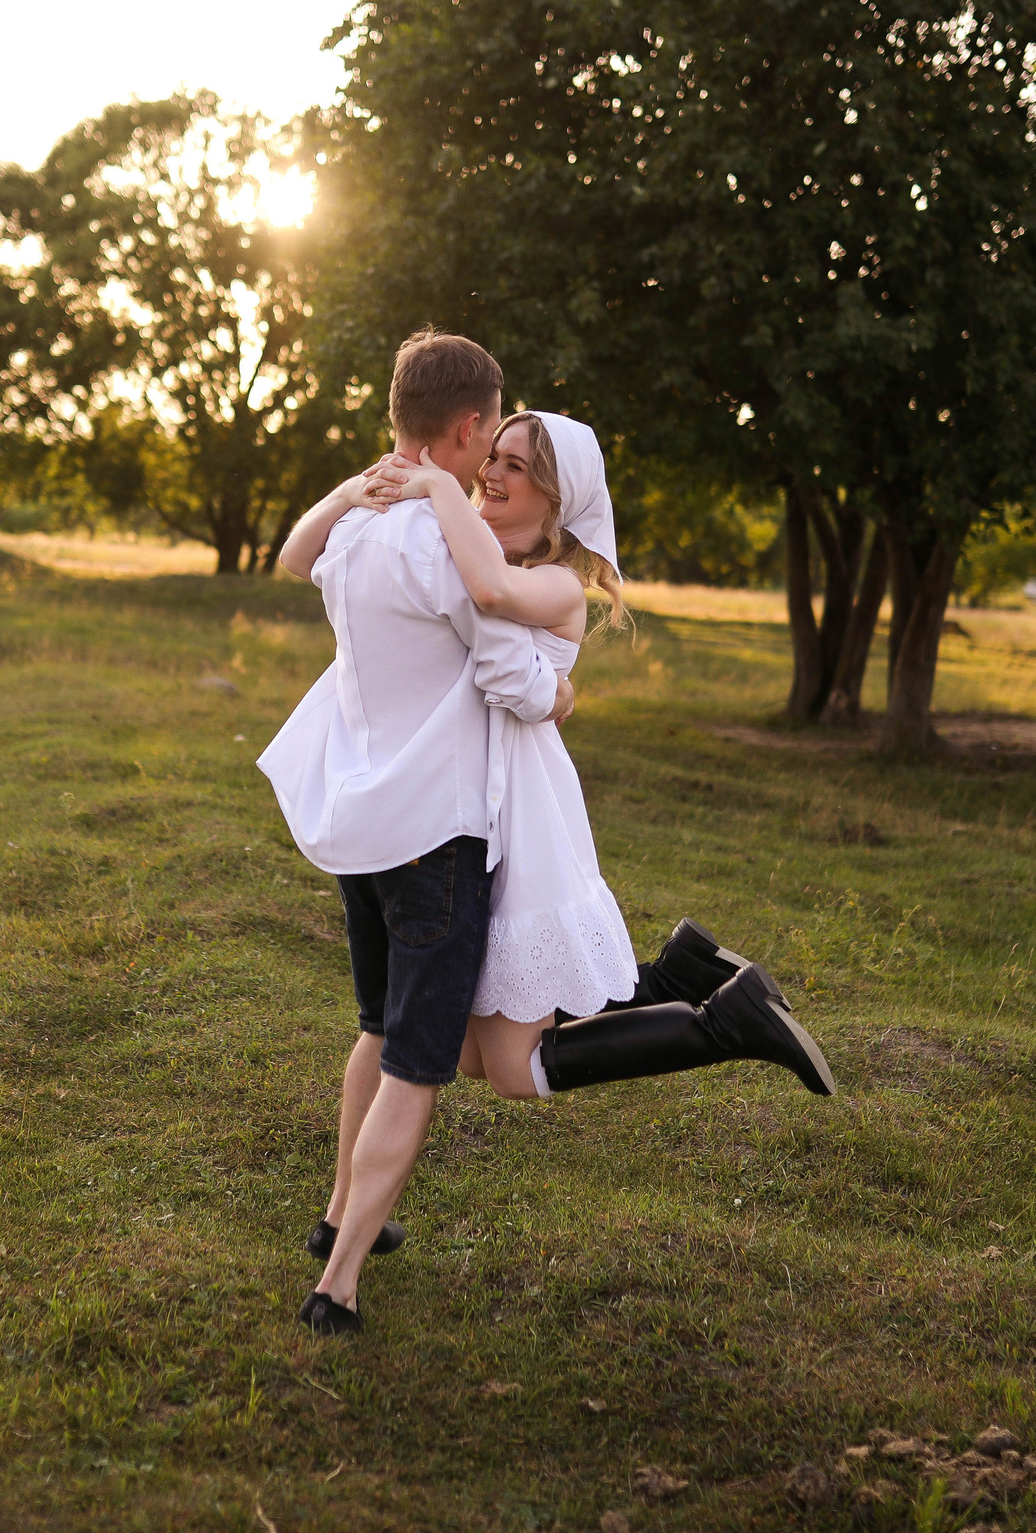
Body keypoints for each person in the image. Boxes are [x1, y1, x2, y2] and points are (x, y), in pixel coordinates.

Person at [367, 413, 834, 1108]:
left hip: (522, 812)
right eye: (493, 455)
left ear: (556, 499)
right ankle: (678, 973)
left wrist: (549, 689)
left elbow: (497, 638)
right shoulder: (483, 555)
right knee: (464, 1054)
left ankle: (728, 1022)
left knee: (514, 1070)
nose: (491, 471)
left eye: (516, 466)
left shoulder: (555, 583)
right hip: (480, 800)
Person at [256, 329, 570, 1337]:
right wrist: (558, 687)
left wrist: (359, 487)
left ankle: (339, 1215)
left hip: (360, 817)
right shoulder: (443, 536)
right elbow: (507, 668)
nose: (492, 468)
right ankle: (338, 1282)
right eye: (493, 442)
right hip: (434, 833)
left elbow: (293, 556)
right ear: (471, 426)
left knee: (378, 1027)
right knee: (416, 1064)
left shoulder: (357, 526)